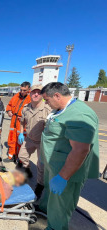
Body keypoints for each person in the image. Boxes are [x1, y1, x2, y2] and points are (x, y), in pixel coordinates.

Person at [39, 82, 99, 230]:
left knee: (61, 206)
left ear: (57, 96)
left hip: (65, 171)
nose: (46, 103)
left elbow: (80, 150)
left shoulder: (79, 114)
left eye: (47, 100)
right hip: (54, 166)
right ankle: (47, 212)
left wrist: (62, 177)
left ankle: (55, 227)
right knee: (53, 202)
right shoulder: (62, 109)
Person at [18, 84, 51, 199]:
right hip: (30, 139)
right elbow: (22, 122)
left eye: (39, 92)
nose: (36, 94)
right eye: (34, 92)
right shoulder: (26, 108)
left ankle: (40, 186)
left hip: (43, 142)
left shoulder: (48, 109)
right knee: (22, 156)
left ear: (42, 94)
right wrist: (21, 133)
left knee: (41, 166)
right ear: (30, 93)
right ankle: (27, 170)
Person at [5, 81, 31, 162]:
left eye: (24, 90)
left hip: (23, 123)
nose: (22, 92)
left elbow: (33, 112)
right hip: (14, 121)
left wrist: (25, 117)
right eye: (21, 90)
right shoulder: (16, 96)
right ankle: (11, 156)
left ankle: (20, 160)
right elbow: (9, 105)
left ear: (29, 90)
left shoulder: (31, 99)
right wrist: (9, 111)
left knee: (22, 143)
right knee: (11, 139)